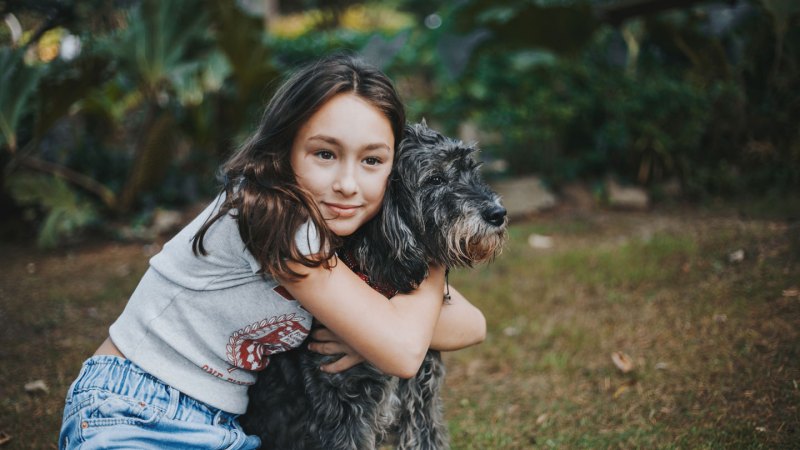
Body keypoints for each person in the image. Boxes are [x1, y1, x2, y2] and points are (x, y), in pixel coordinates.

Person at [58, 54, 486, 449]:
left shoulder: (345, 223)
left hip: (221, 429)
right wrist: (421, 279)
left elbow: (470, 325)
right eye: (325, 153)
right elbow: (405, 352)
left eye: (371, 161)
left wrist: (373, 332)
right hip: (133, 410)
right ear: (284, 150)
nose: (348, 183)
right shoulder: (273, 216)